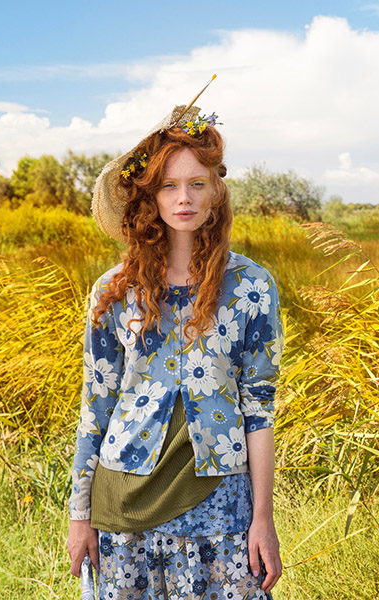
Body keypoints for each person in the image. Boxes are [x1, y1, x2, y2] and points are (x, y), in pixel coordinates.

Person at [66, 83, 284, 599]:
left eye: (196, 184)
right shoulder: (113, 290)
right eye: (168, 186)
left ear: (216, 191)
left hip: (222, 506)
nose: (183, 198)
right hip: (124, 507)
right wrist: (80, 515)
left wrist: (263, 518)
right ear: (150, 196)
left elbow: (259, 409)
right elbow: (95, 407)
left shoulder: (252, 287)